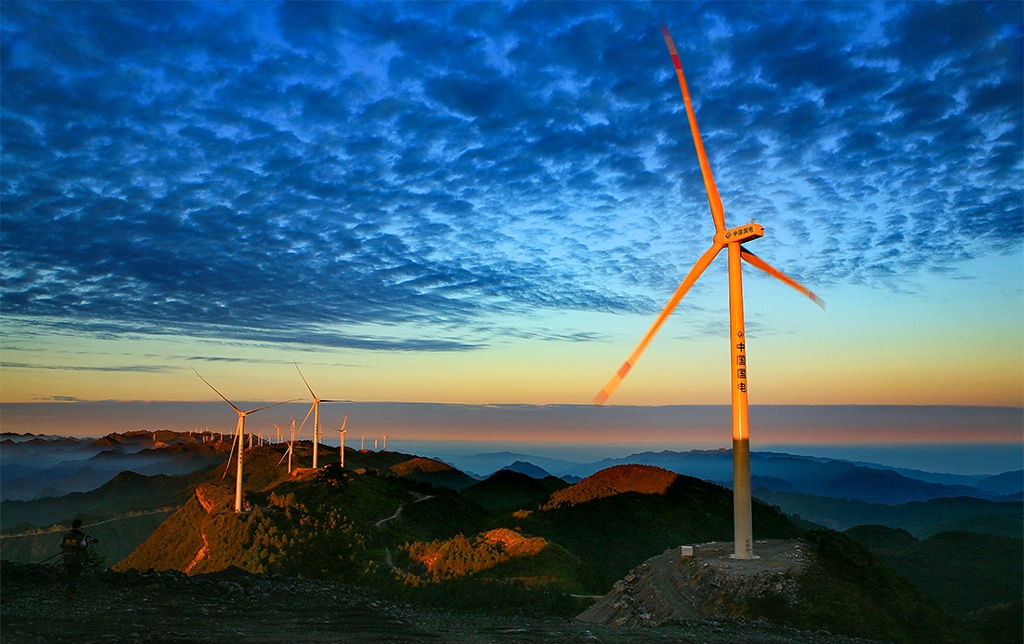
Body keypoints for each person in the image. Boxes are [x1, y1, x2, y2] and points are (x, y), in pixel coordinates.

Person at [60, 519, 90, 599]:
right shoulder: (80, 537)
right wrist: (87, 542)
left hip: (66, 558)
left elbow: (62, 545)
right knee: (75, 576)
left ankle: (69, 591)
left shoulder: (66, 535)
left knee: (70, 575)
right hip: (76, 559)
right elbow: (82, 547)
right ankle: (70, 592)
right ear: (80, 526)